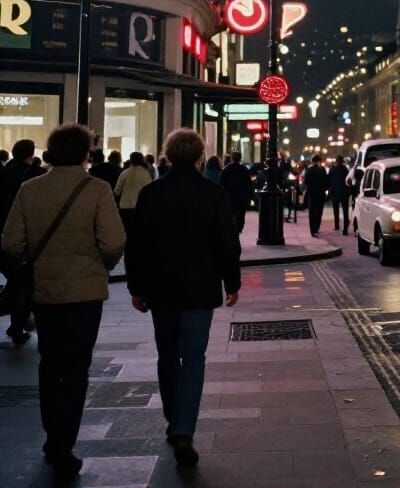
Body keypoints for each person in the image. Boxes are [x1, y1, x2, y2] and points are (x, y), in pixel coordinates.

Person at [2, 124, 125, 480]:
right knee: (76, 368)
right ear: (86, 153)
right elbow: (115, 240)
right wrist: (100, 263)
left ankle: (51, 431)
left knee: (49, 362)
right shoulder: (97, 189)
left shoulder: (30, 189)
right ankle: (64, 441)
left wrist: (32, 260)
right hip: (85, 293)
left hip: (46, 291)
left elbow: (10, 241)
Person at [125, 128, 240, 469]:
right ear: (199, 157)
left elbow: (138, 245)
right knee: (193, 359)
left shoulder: (151, 193)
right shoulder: (212, 193)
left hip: (161, 290)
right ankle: (184, 428)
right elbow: (226, 243)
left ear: (168, 156)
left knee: (166, 355)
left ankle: (172, 418)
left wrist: (136, 287)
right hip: (200, 290)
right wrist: (231, 282)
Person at [0, 139, 45, 344]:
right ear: (31, 153)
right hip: (26, 238)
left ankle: (17, 322)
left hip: (2, 234)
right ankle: (17, 325)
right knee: (24, 283)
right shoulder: (37, 176)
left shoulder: (3, 173)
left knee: (15, 280)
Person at [114, 152, 153, 236]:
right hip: (140, 207)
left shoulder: (124, 173)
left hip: (125, 207)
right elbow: (150, 192)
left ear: (131, 160)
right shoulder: (146, 174)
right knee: (138, 233)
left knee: (126, 232)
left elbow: (117, 191)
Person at [218, 152, 253, 234]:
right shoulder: (244, 169)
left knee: (231, 213)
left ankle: (232, 228)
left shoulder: (227, 169)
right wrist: (250, 195)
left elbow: (220, 183)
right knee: (241, 213)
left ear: (232, 158)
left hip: (230, 196)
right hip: (242, 196)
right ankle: (239, 228)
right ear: (240, 158)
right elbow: (249, 183)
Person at [303, 155, 330, 237]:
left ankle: (312, 229)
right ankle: (316, 228)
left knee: (312, 212)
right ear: (319, 161)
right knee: (319, 212)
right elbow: (326, 182)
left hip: (312, 194)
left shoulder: (309, 170)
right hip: (320, 194)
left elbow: (305, 182)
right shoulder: (322, 170)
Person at [328, 157, 351, 233]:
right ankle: (345, 229)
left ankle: (337, 225)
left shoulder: (333, 170)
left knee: (336, 210)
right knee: (345, 211)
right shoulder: (345, 170)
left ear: (336, 161)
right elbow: (349, 180)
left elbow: (329, 180)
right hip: (344, 193)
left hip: (335, 193)